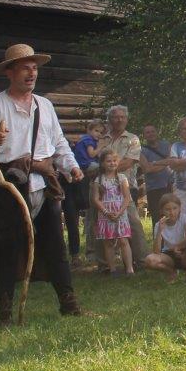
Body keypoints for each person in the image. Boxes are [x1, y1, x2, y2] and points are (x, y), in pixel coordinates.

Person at [0, 43, 86, 324]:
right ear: (10, 72)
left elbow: (58, 142)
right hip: (10, 186)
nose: (31, 73)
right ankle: (5, 313)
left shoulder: (46, 105)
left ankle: (69, 304)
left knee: (56, 246)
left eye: (34, 68)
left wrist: (71, 167)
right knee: (7, 250)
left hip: (45, 184)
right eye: (25, 68)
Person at [94, 105, 149, 267]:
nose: (119, 120)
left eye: (122, 117)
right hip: (102, 187)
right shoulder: (102, 139)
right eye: (115, 117)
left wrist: (106, 167)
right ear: (109, 120)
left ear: (126, 119)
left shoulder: (133, 139)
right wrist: (103, 171)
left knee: (133, 222)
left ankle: (141, 260)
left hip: (125, 185)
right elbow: (94, 159)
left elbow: (128, 162)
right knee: (101, 223)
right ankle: (104, 264)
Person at [65, 120, 104, 267]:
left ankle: (76, 255)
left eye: (100, 132)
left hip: (77, 183)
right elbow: (91, 154)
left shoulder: (80, 142)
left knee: (75, 221)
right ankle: (76, 254)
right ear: (90, 130)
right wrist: (101, 146)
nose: (98, 135)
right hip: (76, 178)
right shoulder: (87, 141)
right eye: (97, 131)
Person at [93, 148, 135, 276]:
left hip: (120, 213)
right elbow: (95, 199)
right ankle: (112, 269)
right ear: (102, 163)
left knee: (123, 240)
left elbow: (127, 197)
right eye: (108, 161)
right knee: (108, 242)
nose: (112, 163)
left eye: (114, 161)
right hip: (105, 214)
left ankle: (129, 269)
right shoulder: (98, 180)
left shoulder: (122, 178)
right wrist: (106, 212)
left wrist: (120, 212)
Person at [144, 193, 186, 282]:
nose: (172, 212)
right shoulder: (159, 225)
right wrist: (159, 231)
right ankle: (171, 272)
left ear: (180, 208)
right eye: (167, 209)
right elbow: (156, 251)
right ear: (162, 211)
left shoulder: (183, 218)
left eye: (175, 208)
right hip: (168, 255)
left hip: (183, 253)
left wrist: (178, 245)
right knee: (149, 260)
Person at [138, 124, 174, 221]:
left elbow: (173, 160)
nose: (151, 134)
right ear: (144, 135)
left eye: (152, 131)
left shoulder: (167, 145)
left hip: (170, 186)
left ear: (157, 132)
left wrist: (154, 164)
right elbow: (147, 169)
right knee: (157, 218)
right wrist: (166, 162)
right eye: (147, 132)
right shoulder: (141, 151)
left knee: (172, 217)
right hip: (154, 189)